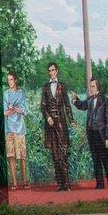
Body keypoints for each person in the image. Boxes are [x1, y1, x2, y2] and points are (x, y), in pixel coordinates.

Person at [72, 77, 108, 189]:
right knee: (96, 160)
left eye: (93, 86)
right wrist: (76, 100)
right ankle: (100, 185)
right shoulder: (90, 99)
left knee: (105, 160)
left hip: (101, 135)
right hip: (91, 134)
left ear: (97, 86)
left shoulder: (104, 99)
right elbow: (82, 105)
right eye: (90, 86)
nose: (91, 88)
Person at [39, 62, 74, 191]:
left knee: (63, 153)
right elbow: (42, 106)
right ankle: (59, 184)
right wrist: (47, 117)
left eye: (53, 70)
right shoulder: (45, 87)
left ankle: (67, 184)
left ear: (57, 71)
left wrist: (71, 120)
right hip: (50, 126)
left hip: (61, 124)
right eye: (49, 70)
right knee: (55, 155)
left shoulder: (62, 86)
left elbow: (67, 105)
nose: (51, 72)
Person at [3, 71, 30, 190]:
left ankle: (24, 181)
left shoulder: (21, 93)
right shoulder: (6, 94)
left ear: (16, 80)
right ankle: (14, 182)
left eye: (11, 80)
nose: (9, 82)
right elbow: (5, 112)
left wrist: (13, 108)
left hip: (19, 129)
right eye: (8, 80)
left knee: (22, 156)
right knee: (11, 156)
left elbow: (24, 110)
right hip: (8, 129)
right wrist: (16, 109)